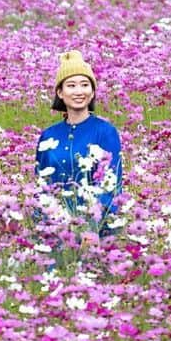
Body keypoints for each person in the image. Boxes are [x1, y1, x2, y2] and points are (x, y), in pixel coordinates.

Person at [34, 50, 123, 252]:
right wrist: (44, 222)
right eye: (71, 85)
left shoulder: (105, 132)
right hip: (54, 228)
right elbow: (40, 184)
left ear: (92, 92)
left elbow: (111, 182)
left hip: (95, 230)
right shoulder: (48, 136)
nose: (78, 91)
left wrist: (92, 228)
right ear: (60, 93)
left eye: (85, 85)